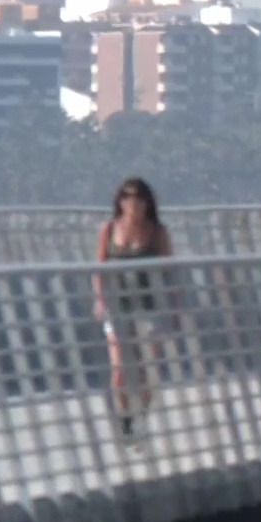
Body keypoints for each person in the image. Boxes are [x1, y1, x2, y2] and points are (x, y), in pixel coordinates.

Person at [94, 177, 174, 441]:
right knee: (120, 367)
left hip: (150, 306)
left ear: (147, 202)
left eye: (138, 197)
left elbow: (169, 269)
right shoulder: (109, 229)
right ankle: (125, 417)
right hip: (118, 306)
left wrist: (172, 303)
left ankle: (142, 415)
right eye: (127, 196)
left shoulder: (156, 232)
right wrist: (100, 298)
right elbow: (100, 266)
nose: (133, 202)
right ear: (119, 201)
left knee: (147, 367)